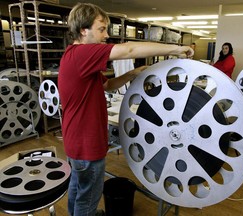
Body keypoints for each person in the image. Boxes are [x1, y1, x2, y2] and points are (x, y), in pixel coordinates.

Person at [58, 3, 193, 216]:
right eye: (101, 29)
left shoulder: (75, 57)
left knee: (77, 189)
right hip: (87, 145)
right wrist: (175, 49)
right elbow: (129, 49)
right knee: (88, 197)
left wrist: (132, 74)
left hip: (75, 141)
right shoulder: (82, 53)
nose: (106, 35)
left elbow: (108, 85)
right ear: (83, 30)